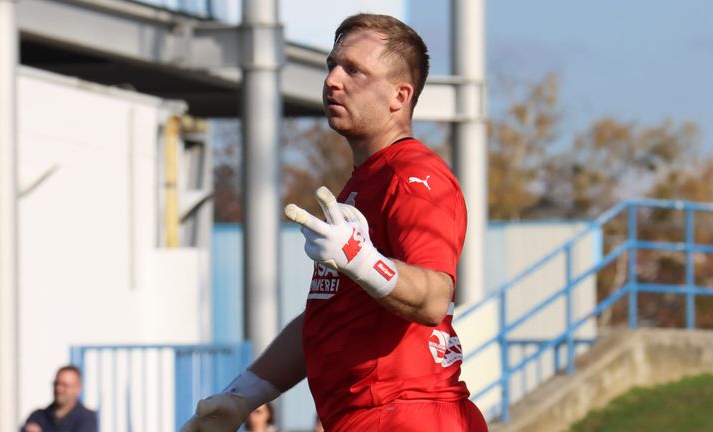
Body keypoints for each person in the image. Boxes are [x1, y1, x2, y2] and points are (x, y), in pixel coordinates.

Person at [181, 13, 488, 432]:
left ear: (400, 96)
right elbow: (325, 319)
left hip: (407, 416)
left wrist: (359, 259)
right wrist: (241, 398)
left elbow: (435, 297)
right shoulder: (366, 181)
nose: (332, 80)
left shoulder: (414, 177)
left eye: (354, 70)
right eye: (332, 65)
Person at [21, 365, 98, 432]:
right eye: (57, 383)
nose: (59, 389)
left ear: (77, 389)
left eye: (65, 385)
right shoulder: (38, 417)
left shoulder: (86, 418)